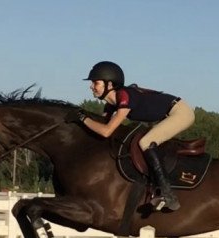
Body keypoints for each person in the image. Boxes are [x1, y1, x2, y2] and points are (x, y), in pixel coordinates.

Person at [66, 61, 195, 211]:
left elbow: (106, 131)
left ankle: (168, 194)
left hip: (180, 112)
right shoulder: (111, 104)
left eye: (95, 82)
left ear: (109, 84)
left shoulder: (124, 96)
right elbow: (101, 127)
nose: (91, 86)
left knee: (146, 142)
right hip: (167, 114)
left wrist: (82, 119)